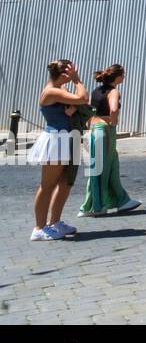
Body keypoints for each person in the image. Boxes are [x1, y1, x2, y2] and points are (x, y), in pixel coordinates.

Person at [30, 60, 90, 241]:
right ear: (64, 74)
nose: (73, 75)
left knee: (64, 183)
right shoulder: (51, 91)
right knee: (47, 185)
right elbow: (82, 98)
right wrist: (77, 80)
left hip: (67, 138)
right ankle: (39, 228)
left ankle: (54, 222)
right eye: (71, 72)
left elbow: (78, 105)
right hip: (56, 140)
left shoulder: (60, 90)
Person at [79, 64, 141, 217]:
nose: (125, 76)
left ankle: (122, 200)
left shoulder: (96, 91)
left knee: (112, 165)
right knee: (102, 169)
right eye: (123, 74)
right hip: (105, 131)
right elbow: (113, 109)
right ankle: (93, 207)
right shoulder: (114, 91)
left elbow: (91, 110)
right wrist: (113, 122)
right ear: (118, 77)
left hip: (95, 129)